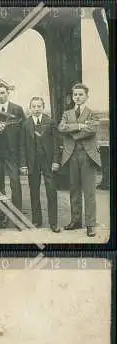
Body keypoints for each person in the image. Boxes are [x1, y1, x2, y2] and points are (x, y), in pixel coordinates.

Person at [58, 83, 101, 237]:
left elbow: (92, 130)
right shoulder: (67, 113)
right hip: (71, 155)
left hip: (88, 156)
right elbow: (61, 128)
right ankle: (76, 221)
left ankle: (90, 224)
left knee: (89, 191)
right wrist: (80, 125)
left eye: (81, 94)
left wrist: (73, 132)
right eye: (75, 94)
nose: (77, 97)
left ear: (86, 96)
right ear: (73, 96)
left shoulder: (92, 113)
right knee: (74, 189)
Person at [20, 97, 61, 232]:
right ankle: (37, 220)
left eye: (39, 106)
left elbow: (56, 144)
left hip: (48, 162)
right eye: (34, 106)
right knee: (34, 191)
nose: (36, 109)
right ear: (30, 108)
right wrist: (24, 164)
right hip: (33, 162)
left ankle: (53, 223)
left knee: (51, 191)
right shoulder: (26, 124)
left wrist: (56, 161)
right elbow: (23, 146)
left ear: (43, 107)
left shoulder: (50, 122)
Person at [0, 83, 26, 215]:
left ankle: (17, 214)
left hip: (12, 153)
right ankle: (0, 215)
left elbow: (24, 133)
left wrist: (22, 158)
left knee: (15, 183)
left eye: (3, 92)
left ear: (8, 93)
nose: (0, 95)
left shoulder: (17, 109)